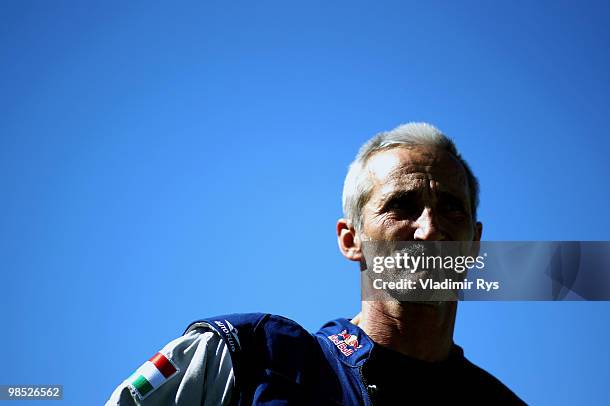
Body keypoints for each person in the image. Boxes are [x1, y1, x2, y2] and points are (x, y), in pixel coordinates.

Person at [107, 123, 524, 405]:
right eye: (401, 206)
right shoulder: (247, 356)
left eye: (452, 210)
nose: (430, 231)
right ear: (351, 239)